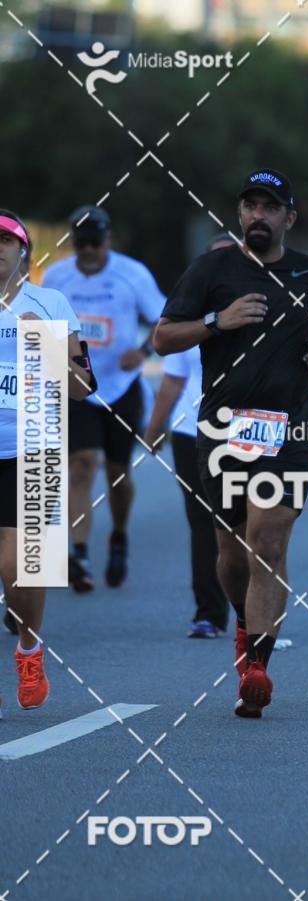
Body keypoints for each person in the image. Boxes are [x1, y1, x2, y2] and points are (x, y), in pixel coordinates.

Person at [154, 168, 308, 717]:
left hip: (289, 428)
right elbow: (163, 337)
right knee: (232, 551)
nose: (258, 216)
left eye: (269, 207)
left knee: (268, 543)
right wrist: (218, 321)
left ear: (289, 217)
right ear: (240, 214)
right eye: (250, 207)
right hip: (223, 431)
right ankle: (243, 621)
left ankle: (257, 667)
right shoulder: (212, 269)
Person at [42, 206, 165, 592]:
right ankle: (79, 553)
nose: (90, 251)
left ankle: (119, 535)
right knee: (81, 465)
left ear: (108, 239)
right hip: (77, 385)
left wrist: (143, 352)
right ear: (72, 243)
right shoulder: (57, 276)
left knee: (117, 473)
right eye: (82, 244)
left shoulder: (132, 274)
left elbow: (164, 318)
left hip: (122, 385)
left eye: (96, 242)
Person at [0, 210, 94, 714]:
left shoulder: (51, 302)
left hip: (34, 448)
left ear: (24, 254)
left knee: (20, 567)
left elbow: (82, 388)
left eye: (5, 241)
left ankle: (29, 649)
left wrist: (51, 345)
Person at [143, 234, 233, 639]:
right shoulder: (190, 315)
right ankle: (209, 614)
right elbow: (173, 379)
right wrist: (153, 427)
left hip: (249, 432)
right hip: (190, 431)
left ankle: (254, 617)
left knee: (248, 526)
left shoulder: (262, 307)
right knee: (202, 523)